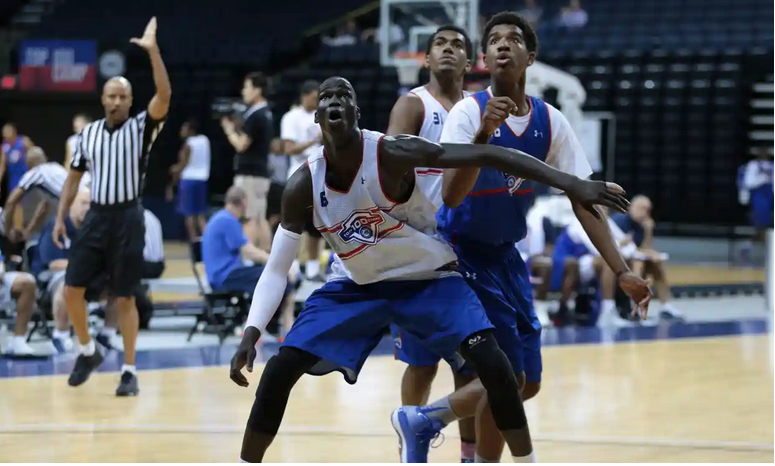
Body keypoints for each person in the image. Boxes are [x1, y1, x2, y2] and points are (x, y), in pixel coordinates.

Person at [228, 76, 630, 463]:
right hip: (357, 286)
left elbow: (489, 154)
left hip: (427, 278)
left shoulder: (392, 152)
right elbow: (277, 268)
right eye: (326, 97)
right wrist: (252, 331)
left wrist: (572, 183)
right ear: (317, 118)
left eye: (343, 95)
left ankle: (525, 461)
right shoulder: (303, 185)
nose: (334, 101)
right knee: (279, 368)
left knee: (496, 365)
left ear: (357, 111)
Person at [391, 12, 652, 463]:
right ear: (486, 57)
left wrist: (622, 270)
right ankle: (459, 441)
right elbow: (451, 197)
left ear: (531, 56)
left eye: (514, 39)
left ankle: (427, 418)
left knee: (527, 382)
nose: (503, 45)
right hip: (462, 254)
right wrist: (483, 137)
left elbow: (583, 200)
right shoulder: (466, 113)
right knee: (502, 377)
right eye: (494, 40)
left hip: (507, 258)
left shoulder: (551, 122)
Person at [51, 17, 170, 396]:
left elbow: (164, 96)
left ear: (130, 101)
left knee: (125, 296)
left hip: (127, 217)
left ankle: (130, 370)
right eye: (111, 95)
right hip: (97, 216)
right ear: (102, 99)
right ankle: (87, 351)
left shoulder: (141, 128)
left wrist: (152, 52)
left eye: (122, 96)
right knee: (71, 289)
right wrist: (59, 216)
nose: (116, 101)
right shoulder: (87, 134)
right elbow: (72, 178)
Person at [384, 25, 477, 462]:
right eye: (440, 44)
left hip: (470, 243)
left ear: (468, 62)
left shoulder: (477, 110)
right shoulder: (413, 104)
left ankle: (469, 451)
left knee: (473, 361)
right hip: (422, 247)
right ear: (425, 58)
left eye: (457, 45)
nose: (448, 50)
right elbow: (386, 169)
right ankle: (410, 445)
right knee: (422, 362)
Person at [201, 186, 296, 335]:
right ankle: (287, 327)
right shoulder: (227, 220)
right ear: (242, 203)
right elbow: (249, 251)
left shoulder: (220, 218)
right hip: (225, 276)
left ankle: (271, 322)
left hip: (222, 274)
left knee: (270, 277)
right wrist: (279, 262)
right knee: (281, 279)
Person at [221, 72, 273, 251]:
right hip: (261, 173)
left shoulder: (256, 115)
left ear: (257, 90)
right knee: (260, 217)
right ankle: (267, 258)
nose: (243, 91)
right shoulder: (266, 113)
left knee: (248, 216)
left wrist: (229, 130)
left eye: (247, 87)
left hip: (250, 173)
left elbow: (241, 145)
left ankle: (249, 258)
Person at [280, 80, 324, 280]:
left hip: (320, 176)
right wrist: (314, 140)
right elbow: (289, 149)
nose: (317, 102)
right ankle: (294, 268)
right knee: (295, 225)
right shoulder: (291, 117)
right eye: (314, 98)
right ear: (304, 96)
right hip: (298, 177)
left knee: (317, 226)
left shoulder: (321, 117)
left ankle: (314, 269)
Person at [2, 147, 91, 242]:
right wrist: (28, 231)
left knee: (51, 236)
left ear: (28, 165)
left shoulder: (36, 172)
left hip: (79, 204)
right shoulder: (55, 168)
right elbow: (43, 209)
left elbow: (12, 200)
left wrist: (6, 230)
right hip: (90, 199)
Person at [169, 120, 211, 241]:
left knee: (189, 214)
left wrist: (174, 172)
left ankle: (194, 241)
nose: (181, 131)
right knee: (201, 214)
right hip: (202, 180)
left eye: (184, 128)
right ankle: (207, 239)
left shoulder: (188, 144)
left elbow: (183, 164)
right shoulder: (205, 140)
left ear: (191, 131)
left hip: (189, 181)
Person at [1, 122, 34, 194]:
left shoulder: (24, 141)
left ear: (14, 133)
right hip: (14, 176)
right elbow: (2, 165)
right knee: (15, 198)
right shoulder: (4, 147)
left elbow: (35, 156)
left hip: (26, 173)